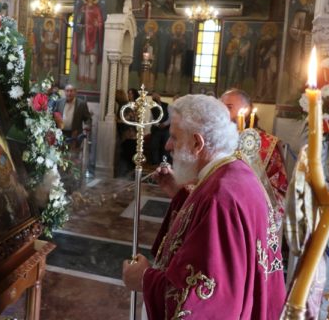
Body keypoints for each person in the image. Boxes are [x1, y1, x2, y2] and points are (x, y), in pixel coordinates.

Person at [122, 94, 285, 319]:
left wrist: (144, 279)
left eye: (175, 137)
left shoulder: (220, 198)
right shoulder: (234, 172)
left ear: (198, 143)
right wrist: (179, 194)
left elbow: (205, 297)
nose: (168, 146)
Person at [220, 88, 288, 220]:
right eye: (220, 108)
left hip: (253, 212)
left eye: (229, 107)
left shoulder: (266, 144)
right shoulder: (214, 139)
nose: (222, 113)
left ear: (245, 110)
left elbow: (279, 189)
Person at [75, 0, 103, 84]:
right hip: (84, 34)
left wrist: (97, 24)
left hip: (93, 35)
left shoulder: (97, 9)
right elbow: (78, 22)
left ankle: (92, 78)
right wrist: (81, 25)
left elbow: (100, 23)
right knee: (83, 56)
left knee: (92, 57)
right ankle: (82, 78)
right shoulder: (83, 8)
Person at [224, 21, 251, 89]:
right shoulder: (232, 40)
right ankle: (227, 91)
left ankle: (237, 93)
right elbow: (227, 52)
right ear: (235, 30)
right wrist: (234, 51)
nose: (239, 31)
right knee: (230, 76)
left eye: (241, 30)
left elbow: (246, 53)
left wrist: (244, 53)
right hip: (232, 61)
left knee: (239, 77)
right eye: (238, 30)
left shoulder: (245, 41)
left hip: (241, 62)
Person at [166, 21, 187, 94]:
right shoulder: (172, 38)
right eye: (177, 28)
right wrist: (172, 49)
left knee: (177, 74)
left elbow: (184, 49)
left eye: (179, 29)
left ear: (181, 30)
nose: (178, 30)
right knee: (170, 73)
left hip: (178, 58)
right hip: (172, 58)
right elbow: (168, 48)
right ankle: (168, 89)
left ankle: (176, 89)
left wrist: (179, 49)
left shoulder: (183, 39)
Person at [149, 92, 169, 165]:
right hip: (156, 130)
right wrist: (158, 125)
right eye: (153, 96)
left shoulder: (166, 105)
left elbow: (170, 117)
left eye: (156, 95)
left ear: (159, 96)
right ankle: (155, 162)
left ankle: (165, 162)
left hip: (166, 129)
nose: (155, 97)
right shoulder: (152, 108)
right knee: (154, 146)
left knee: (166, 147)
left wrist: (165, 124)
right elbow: (151, 119)